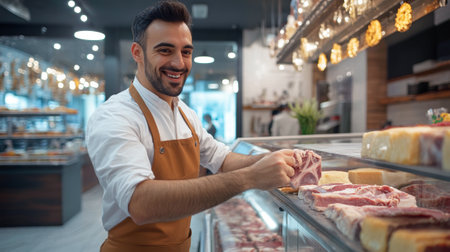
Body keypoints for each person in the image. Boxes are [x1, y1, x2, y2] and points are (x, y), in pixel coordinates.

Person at [86, 1, 296, 251]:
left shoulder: (186, 113)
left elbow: (223, 159)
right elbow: (140, 203)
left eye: (186, 52)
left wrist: (277, 160)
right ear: (137, 53)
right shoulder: (114, 116)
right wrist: (250, 177)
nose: (179, 63)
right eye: (165, 50)